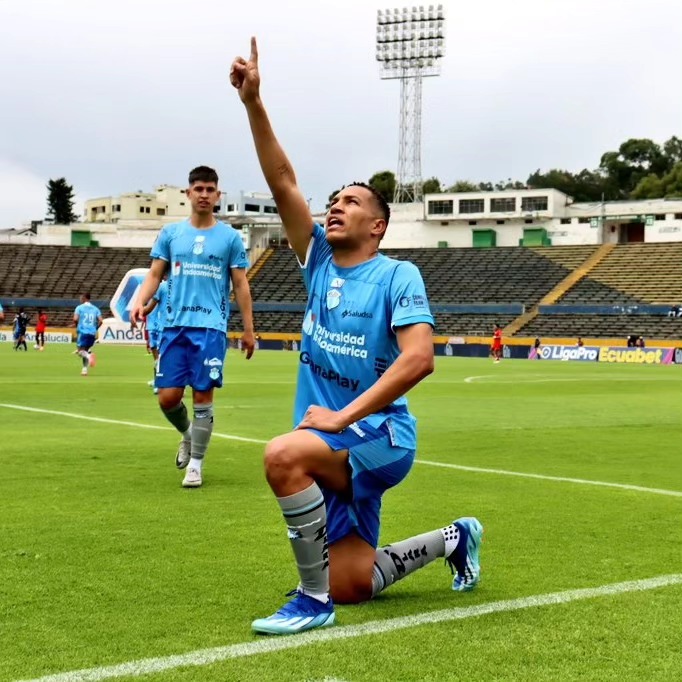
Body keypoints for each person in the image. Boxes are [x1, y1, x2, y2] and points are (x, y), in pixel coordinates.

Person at [231, 37, 483, 636]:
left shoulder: (398, 275)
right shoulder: (316, 262)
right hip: (333, 440)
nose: (333, 209)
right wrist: (253, 103)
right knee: (355, 585)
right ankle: (453, 538)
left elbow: (419, 360)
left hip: (379, 437)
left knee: (281, 455)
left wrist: (343, 419)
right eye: (331, 202)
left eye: (350, 202)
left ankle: (309, 602)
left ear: (379, 224)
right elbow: (283, 179)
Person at [131, 166, 256, 489]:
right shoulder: (171, 234)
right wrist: (137, 302)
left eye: (209, 189)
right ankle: (188, 436)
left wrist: (248, 329)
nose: (203, 194)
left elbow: (241, 285)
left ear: (218, 195)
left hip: (210, 328)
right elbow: (155, 275)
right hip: (174, 327)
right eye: (198, 188)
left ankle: (196, 465)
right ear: (188, 193)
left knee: (203, 395)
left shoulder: (229, 238)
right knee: (167, 399)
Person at [141, 276, 168, 394]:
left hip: (160, 326)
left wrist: (137, 312)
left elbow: (149, 309)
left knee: (160, 357)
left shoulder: (160, 288)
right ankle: (159, 381)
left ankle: (160, 383)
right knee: (164, 357)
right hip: (173, 326)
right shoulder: (182, 287)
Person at [73, 294, 103, 375]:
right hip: (92, 333)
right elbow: (101, 321)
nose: (80, 299)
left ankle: (89, 356)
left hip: (83, 332)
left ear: (84, 298)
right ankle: (84, 369)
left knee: (80, 351)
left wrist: (77, 326)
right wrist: (95, 328)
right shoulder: (96, 309)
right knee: (85, 350)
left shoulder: (79, 307)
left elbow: (75, 319)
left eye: (81, 298)